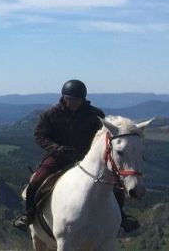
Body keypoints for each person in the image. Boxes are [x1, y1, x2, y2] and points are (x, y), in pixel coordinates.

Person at [12, 80, 140, 232]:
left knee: (115, 185)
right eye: (70, 99)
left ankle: (121, 217)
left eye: (77, 100)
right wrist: (57, 148)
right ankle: (29, 215)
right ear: (64, 98)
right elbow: (39, 135)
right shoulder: (51, 114)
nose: (74, 103)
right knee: (36, 181)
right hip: (59, 157)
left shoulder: (95, 115)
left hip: (88, 158)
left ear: (83, 99)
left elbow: (104, 137)